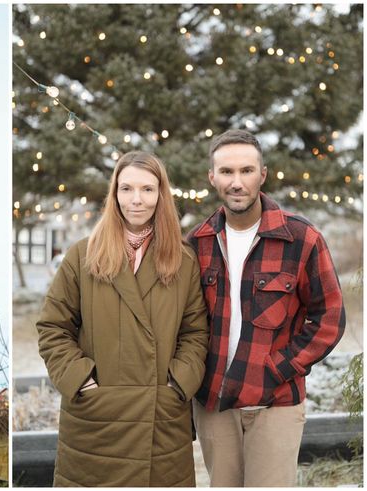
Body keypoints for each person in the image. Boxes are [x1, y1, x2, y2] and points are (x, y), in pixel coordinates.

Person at [37, 151, 209, 487]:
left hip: (159, 417)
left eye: (147, 189)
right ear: (114, 194)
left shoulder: (183, 260)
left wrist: (179, 383)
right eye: (126, 188)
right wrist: (80, 378)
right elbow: (52, 327)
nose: (136, 200)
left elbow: (196, 333)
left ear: (161, 195)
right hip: (97, 421)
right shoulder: (82, 256)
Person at [186, 129, 346, 487]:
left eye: (246, 170)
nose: (237, 182)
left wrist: (279, 367)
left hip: (276, 401)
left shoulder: (301, 238)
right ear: (212, 177)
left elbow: (329, 318)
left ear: (263, 174)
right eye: (226, 172)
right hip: (214, 403)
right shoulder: (197, 243)